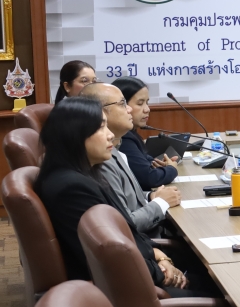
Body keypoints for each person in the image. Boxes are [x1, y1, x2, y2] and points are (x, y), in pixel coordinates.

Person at [33, 98, 187, 290]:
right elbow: (110, 257)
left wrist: (159, 256)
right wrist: (161, 271)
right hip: (124, 294)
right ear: (74, 134)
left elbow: (124, 231)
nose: (110, 135)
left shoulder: (86, 173)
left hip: (139, 271)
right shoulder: (72, 188)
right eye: (101, 128)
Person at [81, 83, 181, 237]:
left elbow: (128, 199)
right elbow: (125, 224)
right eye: (122, 104)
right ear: (99, 112)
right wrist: (161, 202)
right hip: (147, 241)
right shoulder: (101, 160)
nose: (129, 109)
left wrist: (150, 196)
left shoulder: (115, 148)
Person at [113, 76, 178, 191]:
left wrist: (159, 165)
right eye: (140, 103)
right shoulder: (122, 137)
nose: (147, 109)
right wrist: (172, 169)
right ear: (122, 106)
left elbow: (145, 161)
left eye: (147, 102)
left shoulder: (131, 133)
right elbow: (149, 178)